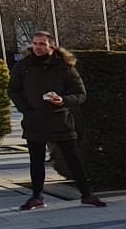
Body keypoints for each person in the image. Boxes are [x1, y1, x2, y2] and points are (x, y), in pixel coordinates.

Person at [9, 31, 105, 210]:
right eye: (35, 44)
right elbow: (14, 90)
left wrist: (63, 100)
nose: (38, 47)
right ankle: (37, 197)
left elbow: (80, 94)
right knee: (36, 160)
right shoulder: (23, 66)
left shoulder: (64, 67)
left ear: (52, 47)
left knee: (72, 158)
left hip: (60, 119)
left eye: (42, 44)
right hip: (34, 119)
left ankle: (87, 195)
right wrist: (26, 109)